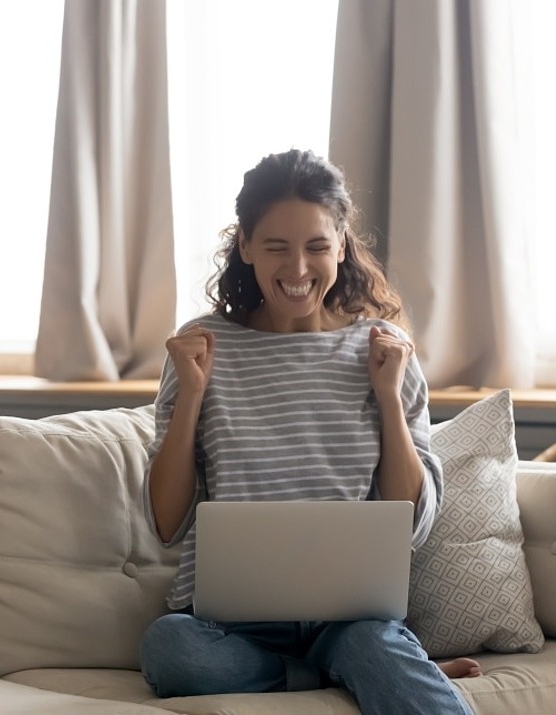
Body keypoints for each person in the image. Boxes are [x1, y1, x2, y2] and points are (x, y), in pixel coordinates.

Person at [138, 149, 479, 714]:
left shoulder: (382, 350)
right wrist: (193, 394)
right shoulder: (202, 346)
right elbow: (166, 524)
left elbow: (411, 523)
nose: (298, 270)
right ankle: (342, 675)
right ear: (244, 246)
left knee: (371, 643)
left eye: (317, 247)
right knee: (170, 648)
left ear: (341, 246)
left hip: (350, 620)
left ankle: (368, 662)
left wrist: (389, 399)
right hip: (232, 626)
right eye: (276, 247)